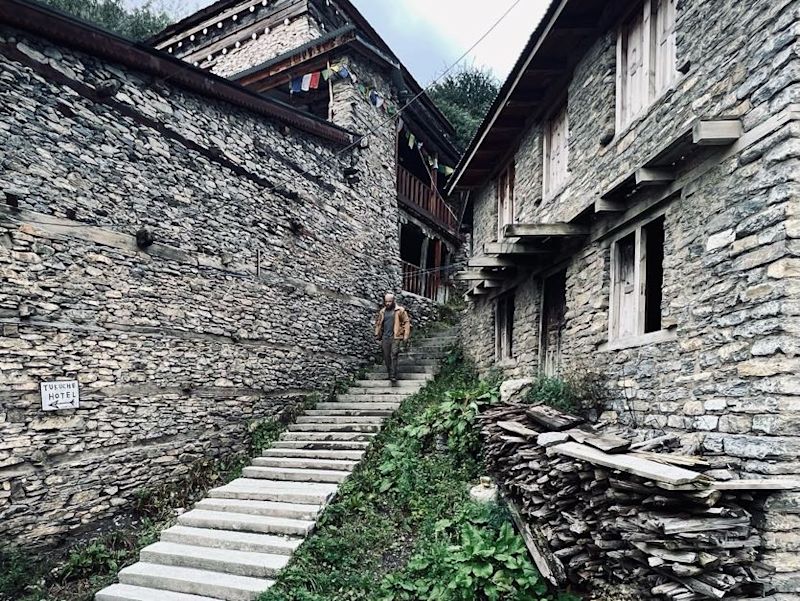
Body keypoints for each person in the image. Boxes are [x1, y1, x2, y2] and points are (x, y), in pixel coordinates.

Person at [374, 293, 411, 384]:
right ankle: (390, 372)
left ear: (393, 301)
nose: (387, 303)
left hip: (395, 337)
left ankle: (393, 376)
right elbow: (378, 323)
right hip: (385, 337)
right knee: (386, 357)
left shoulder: (400, 310)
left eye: (389, 301)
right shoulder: (382, 312)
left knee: (393, 355)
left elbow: (406, 322)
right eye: (386, 301)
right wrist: (377, 334)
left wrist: (406, 335)